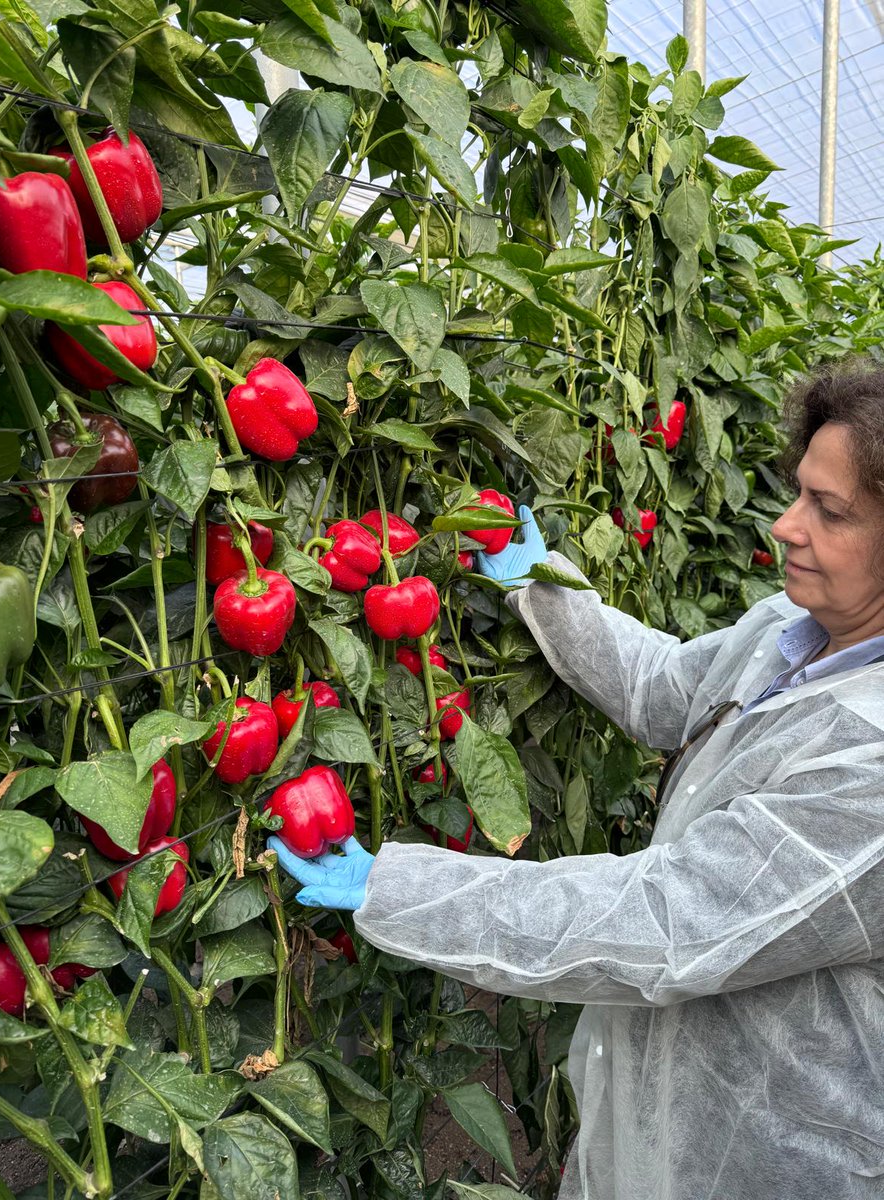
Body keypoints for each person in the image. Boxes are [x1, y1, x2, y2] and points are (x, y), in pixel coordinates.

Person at [270, 360, 884, 1199]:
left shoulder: (873, 766)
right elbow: (668, 690)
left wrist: (404, 885)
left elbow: (668, 919)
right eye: (800, 492)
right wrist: (545, 591)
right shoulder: (797, 627)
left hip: (773, 1151)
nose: (785, 524)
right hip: (665, 1109)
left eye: (830, 510)